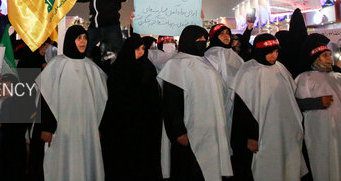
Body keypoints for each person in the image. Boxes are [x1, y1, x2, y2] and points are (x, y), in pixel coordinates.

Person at [158, 25, 233, 181]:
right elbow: (171, 103)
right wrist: (178, 132)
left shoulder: (206, 62)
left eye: (204, 39)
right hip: (190, 132)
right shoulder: (176, 65)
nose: (203, 42)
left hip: (211, 130)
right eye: (198, 39)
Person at [37, 25, 108, 181]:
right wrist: (47, 128)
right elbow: (47, 98)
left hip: (86, 129)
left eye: (85, 38)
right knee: (63, 164)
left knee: (85, 164)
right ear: (70, 40)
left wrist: (98, 126)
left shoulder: (92, 68)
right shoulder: (57, 65)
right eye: (78, 38)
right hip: (63, 129)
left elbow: (101, 100)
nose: (82, 42)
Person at [231, 33, 306, 181]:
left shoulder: (280, 68)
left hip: (286, 132)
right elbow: (243, 109)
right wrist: (251, 136)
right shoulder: (248, 71)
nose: (274, 56)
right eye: (270, 53)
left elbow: (291, 98)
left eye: (276, 52)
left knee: (288, 167)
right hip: (264, 133)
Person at [295, 34, 341, 181]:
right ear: (316, 58)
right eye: (325, 56)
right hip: (321, 131)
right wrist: (318, 102)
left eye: (329, 55)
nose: (329, 58)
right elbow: (298, 104)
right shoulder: (305, 78)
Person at [101, 35, 162, 180]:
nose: (141, 52)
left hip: (145, 127)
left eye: (142, 49)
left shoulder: (148, 68)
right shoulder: (119, 70)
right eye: (137, 49)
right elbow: (114, 100)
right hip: (122, 127)